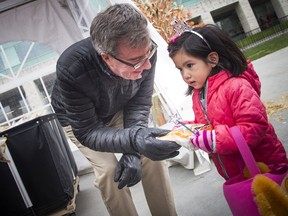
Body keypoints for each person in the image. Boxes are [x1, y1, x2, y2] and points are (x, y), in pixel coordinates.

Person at [51, 3, 180, 216]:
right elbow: (88, 131)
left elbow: (139, 103)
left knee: (150, 155)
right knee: (109, 172)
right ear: (106, 57)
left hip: (120, 108)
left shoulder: (145, 52)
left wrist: (133, 149)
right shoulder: (71, 67)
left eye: (148, 55)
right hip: (81, 121)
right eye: (137, 62)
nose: (147, 66)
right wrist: (133, 142)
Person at [167, 23, 288, 180]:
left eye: (189, 65)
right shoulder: (199, 93)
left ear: (212, 59)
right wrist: (189, 128)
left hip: (264, 167)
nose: (185, 75)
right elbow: (208, 122)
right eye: (180, 69)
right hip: (235, 171)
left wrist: (215, 139)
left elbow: (255, 127)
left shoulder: (236, 86)